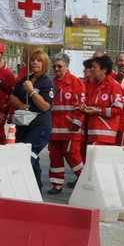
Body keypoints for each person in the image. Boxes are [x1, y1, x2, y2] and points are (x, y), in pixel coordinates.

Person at [8, 50, 54, 188]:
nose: (35, 62)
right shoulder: (25, 80)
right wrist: (21, 105)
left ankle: (23, 186)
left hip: (39, 128)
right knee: (27, 156)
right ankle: (36, 188)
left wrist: (32, 91)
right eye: (33, 59)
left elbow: (45, 106)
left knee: (27, 157)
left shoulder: (47, 83)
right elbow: (12, 96)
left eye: (39, 60)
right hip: (24, 126)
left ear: (44, 63)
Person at [46, 53, 86, 193]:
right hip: (55, 129)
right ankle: (56, 184)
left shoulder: (76, 83)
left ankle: (84, 180)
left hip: (70, 129)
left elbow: (81, 106)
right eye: (55, 66)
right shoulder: (51, 83)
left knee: (73, 155)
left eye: (60, 66)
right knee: (55, 157)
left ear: (67, 66)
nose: (57, 69)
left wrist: (75, 123)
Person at [80, 54, 124, 155]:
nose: (91, 70)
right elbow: (88, 103)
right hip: (90, 134)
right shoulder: (93, 85)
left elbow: (117, 110)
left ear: (104, 69)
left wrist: (99, 111)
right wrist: (84, 108)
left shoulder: (114, 86)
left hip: (104, 136)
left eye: (94, 67)